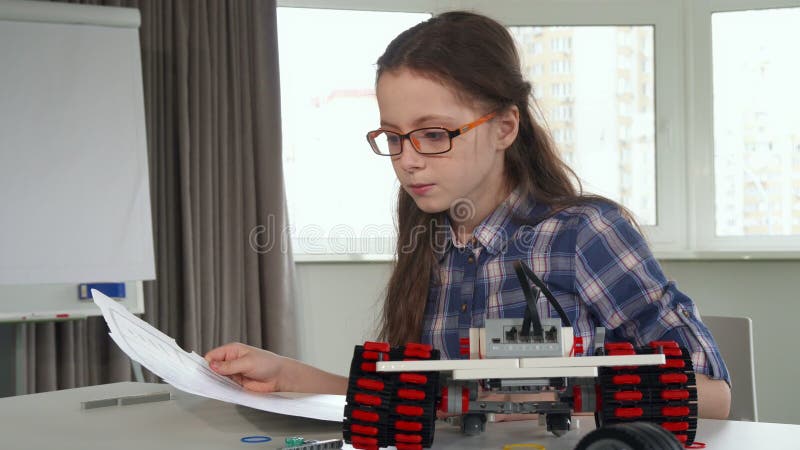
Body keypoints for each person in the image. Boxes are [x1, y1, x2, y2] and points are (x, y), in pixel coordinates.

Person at [206, 11, 731, 420]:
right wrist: (288, 376)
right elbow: (418, 401)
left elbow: (713, 396)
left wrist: (550, 386)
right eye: (393, 137)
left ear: (505, 127)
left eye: (434, 134)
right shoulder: (429, 243)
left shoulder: (582, 235)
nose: (408, 159)